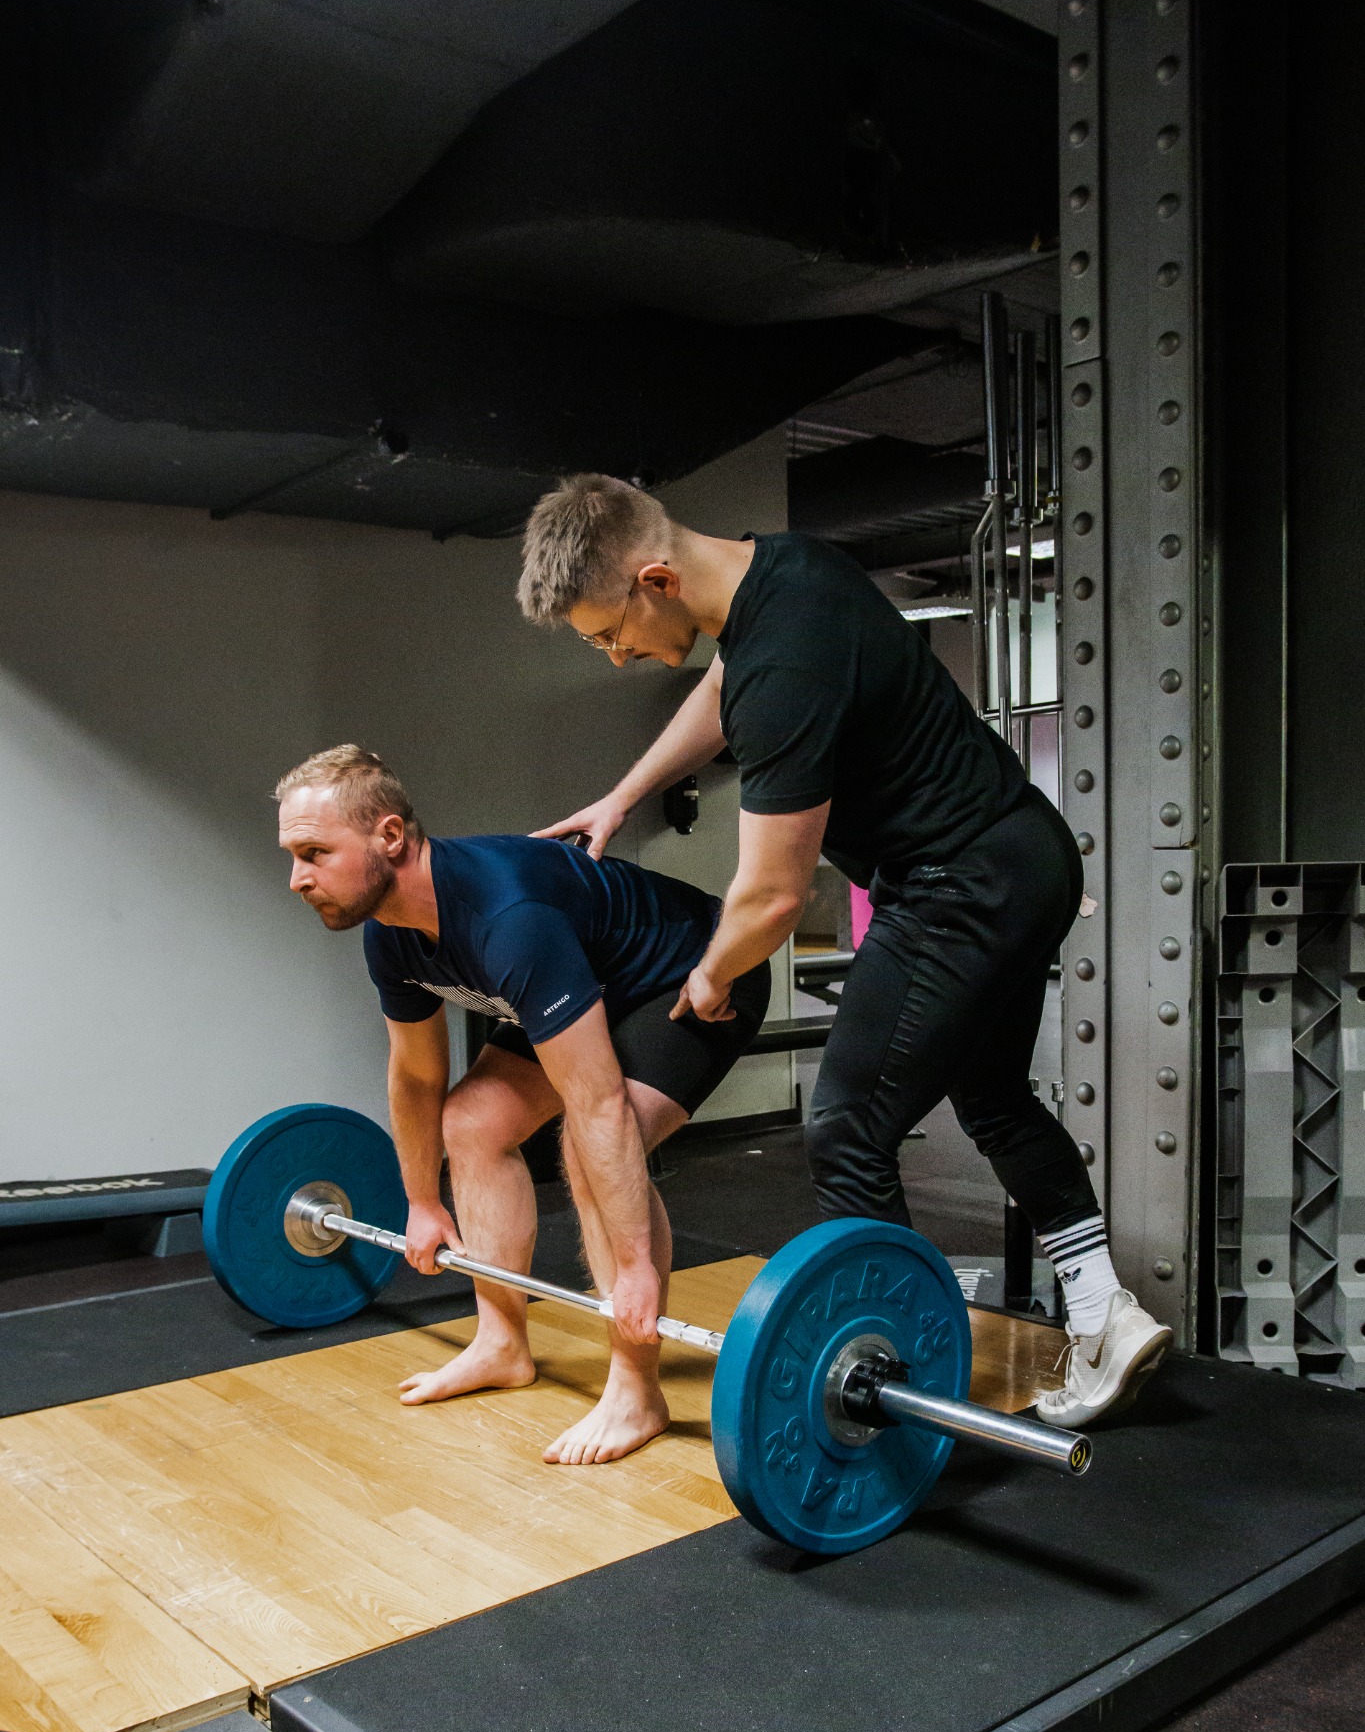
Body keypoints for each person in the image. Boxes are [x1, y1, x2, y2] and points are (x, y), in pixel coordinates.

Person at [519, 474, 1171, 1429]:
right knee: (990, 1094)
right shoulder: (784, 568)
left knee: (845, 1127)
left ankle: (913, 1391)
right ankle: (1100, 1309)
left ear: (653, 578)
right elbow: (721, 684)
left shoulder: (782, 669)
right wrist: (626, 794)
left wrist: (712, 973)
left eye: (608, 633)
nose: (616, 657)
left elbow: (773, 895)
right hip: (1022, 854)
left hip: (958, 884)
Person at [275, 744, 770, 1463]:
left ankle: (636, 1390)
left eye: (314, 852)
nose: (297, 879)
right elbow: (417, 1076)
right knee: (470, 1122)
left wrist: (634, 1267)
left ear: (389, 836)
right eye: (293, 857)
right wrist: (420, 1200)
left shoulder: (507, 915)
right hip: (589, 978)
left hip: (691, 973)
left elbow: (597, 1102)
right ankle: (501, 1344)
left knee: (593, 1140)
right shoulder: (391, 935)